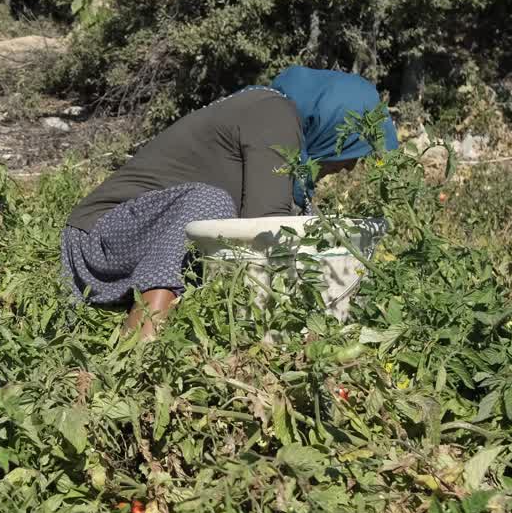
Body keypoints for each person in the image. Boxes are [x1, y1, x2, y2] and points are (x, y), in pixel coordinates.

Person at [60, 66, 399, 339]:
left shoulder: (276, 123)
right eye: (351, 148)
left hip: (137, 240)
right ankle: (140, 353)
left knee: (308, 227)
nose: (351, 165)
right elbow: (270, 229)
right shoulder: (273, 115)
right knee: (209, 202)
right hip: (98, 240)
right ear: (331, 121)